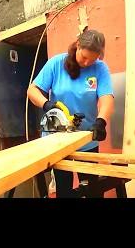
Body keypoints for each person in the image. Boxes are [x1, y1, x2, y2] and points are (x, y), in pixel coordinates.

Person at [27, 29, 115, 197]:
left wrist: (101, 121)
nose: (88, 63)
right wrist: (46, 104)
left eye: (93, 59)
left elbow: (107, 98)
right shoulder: (56, 64)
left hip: (87, 139)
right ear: (77, 45)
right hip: (58, 140)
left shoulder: (100, 68)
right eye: (84, 57)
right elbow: (32, 90)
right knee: (64, 191)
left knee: (92, 191)